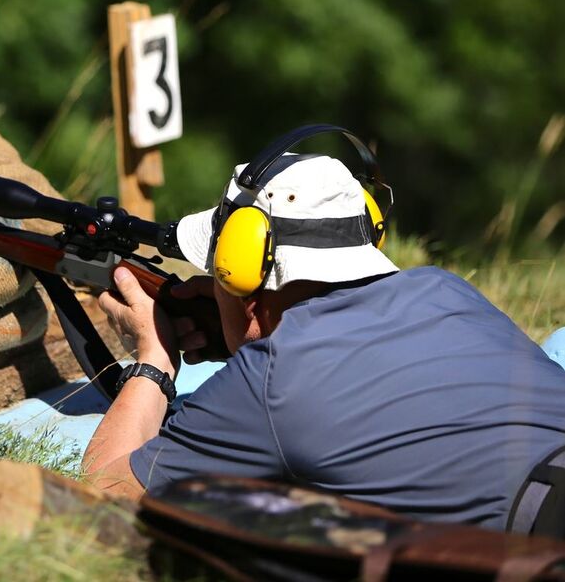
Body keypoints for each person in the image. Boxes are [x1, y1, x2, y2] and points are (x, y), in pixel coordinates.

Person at [82, 127, 565, 534]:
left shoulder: (271, 380)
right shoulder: (444, 290)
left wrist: (155, 357)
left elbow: (103, 491)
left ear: (244, 270)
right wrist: (248, 330)